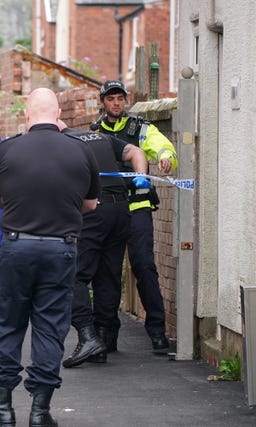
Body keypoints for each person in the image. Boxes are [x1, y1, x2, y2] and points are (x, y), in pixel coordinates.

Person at [0, 88, 100, 427]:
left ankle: (1, 410)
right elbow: (89, 204)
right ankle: (40, 412)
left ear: (27, 114)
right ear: (59, 114)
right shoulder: (81, 151)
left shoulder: (7, 148)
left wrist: (19, 201)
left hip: (18, 246)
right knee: (50, 327)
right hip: (61, 248)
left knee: (6, 325)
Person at [95, 80, 178, 353]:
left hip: (137, 206)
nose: (116, 103)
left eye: (120, 98)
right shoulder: (94, 133)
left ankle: (156, 331)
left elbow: (162, 146)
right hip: (109, 210)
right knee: (107, 273)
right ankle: (107, 334)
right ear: (103, 102)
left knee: (144, 267)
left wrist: (166, 157)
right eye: (111, 99)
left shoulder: (140, 128)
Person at [58, 121, 148, 368]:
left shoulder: (62, 143)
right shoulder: (99, 137)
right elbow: (135, 152)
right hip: (121, 210)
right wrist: (140, 177)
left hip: (94, 211)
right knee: (107, 274)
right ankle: (105, 340)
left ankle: (88, 337)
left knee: (73, 276)